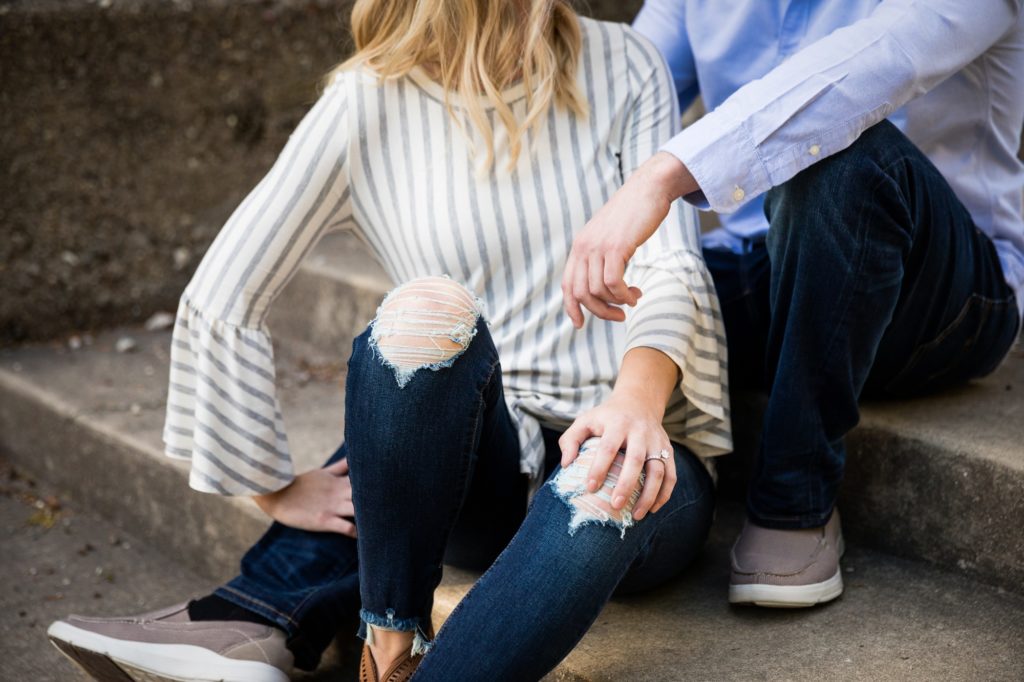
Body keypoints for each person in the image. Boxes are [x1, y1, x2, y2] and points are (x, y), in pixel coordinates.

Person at [47, 1, 731, 680]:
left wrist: (637, 404)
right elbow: (222, 295)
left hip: (632, 439)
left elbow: (669, 264)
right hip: (480, 463)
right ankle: (387, 644)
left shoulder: (626, 63)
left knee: (603, 477)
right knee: (425, 310)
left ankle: (256, 617)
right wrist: (269, 485)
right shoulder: (366, 98)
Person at [563, 0, 1023, 608]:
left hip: (943, 300)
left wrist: (660, 175)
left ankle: (794, 501)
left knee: (833, 144)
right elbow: (618, 96)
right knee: (632, 290)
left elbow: (871, 65)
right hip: (766, 268)